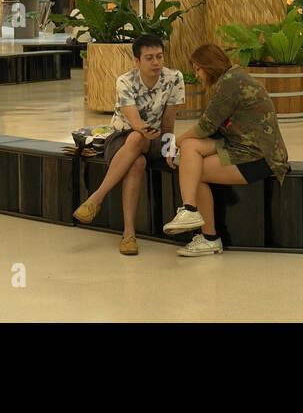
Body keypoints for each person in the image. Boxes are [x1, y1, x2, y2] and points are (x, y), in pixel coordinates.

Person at [161, 44, 290, 257]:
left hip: (260, 157)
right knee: (190, 148)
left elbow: (206, 126)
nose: (197, 75)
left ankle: (208, 235)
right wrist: (182, 143)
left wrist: (174, 143)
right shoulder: (232, 77)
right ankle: (190, 211)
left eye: (198, 69)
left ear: (209, 66)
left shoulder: (229, 84)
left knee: (195, 172)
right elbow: (213, 129)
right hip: (240, 144)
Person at [73, 35, 183, 255]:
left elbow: (169, 119)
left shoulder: (174, 78)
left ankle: (97, 198)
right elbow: (134, 122)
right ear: (137, 61)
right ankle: (129, 234)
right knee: (136, 160)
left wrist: (168, 148)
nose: (156, 63)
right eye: (149, 58)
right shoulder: (125, 81)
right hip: (122, 137)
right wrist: (143, 131)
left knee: (139, 139)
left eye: (159, 57)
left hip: (154, 139)